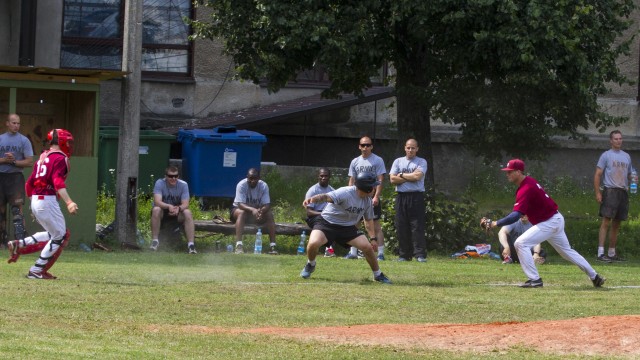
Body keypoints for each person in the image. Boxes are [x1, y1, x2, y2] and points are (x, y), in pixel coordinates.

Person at [480, 159, 605, 288]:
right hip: (554, 219)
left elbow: (515, 215)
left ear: (518, 172)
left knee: (520, 243)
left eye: (510, 172)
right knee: (567, 252)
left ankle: (535, 279)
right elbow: (524, 210)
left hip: (549, 222)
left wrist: (495, 223)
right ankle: (595, 277)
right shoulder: (529, 182)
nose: (507, 175)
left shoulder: (526, 188)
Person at [6, 129, 77, 279]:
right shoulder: (59, 158)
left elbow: (29, 184)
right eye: (68, 142)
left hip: (37, 199)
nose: (70, 145)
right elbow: (58, 182)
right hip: (47, 199)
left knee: (54, 233)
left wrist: (34, 203)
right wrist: (69, 202)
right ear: (62, 142)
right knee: (60, 236)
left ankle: (20, 244)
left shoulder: (42, 158)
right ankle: (36, 270)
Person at [300, 172, 391, 284]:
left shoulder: (367, 201)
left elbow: (368, 220)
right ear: (366, 187)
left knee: (367, 247)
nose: (375, 189)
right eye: (373, 186)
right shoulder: (346, 192)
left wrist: (373, 239)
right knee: (313, 243)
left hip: (347, 227)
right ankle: (311, 264)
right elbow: (327, 197)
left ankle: (378, 275)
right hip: (327, 223)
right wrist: (314, 198)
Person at [593, 130, 632, 263]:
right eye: (615, 139)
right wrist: (598, 192)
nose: (618, 141)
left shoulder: (627, 156)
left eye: (620, 138)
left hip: (622, 192)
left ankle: (611, 252)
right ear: (611, 141)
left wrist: (633, 179)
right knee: (606, 222)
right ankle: (600, 253)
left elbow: (630, 174)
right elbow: (598, 174)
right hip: (610, 191)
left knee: (616, 224)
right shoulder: (606, 155)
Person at [346, 136, 387, 260]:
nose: (365, 147)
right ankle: (353, 252)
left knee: (375, 225)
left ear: (372, 146)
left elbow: (380, 180)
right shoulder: (355, 161)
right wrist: (349, 196)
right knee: (354, 224)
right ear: (359, 146)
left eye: (368, 145)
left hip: (370, 197)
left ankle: (380, 253)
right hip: (357, 197)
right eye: (363, 145)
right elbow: (352, 180)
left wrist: (376, 197)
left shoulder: (377, 160)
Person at [389, 138, 428, 262]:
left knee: (417, 226)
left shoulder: (421, 161)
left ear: (417, 149)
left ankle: (420, 255)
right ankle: (404, 255)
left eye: (413, 148)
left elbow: (417, 177)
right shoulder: (398, 161)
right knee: (401, 225)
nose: (410, 150)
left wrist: (400, 175)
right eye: (408, 147)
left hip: (416, 197)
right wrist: (408, 177)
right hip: (401, 197)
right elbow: (392, 180)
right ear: (405, 148)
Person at [0, 113, 34, 247]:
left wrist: (14, 162)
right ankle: (2, 241)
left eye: (18, 123)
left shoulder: (24, 140)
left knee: (17, 211)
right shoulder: (1, 139)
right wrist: (4, 160)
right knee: (0, 210)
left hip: (15, 177)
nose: (16, 126)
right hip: (1, 176)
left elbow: (30, 161)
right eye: (13, 123)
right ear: (7, 123)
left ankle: (21, 242)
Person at [149, 166, 197, 254]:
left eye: (176, 176)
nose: (173, 178)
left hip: (177, 212)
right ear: (166, 176)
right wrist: (168, 206)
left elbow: (185, 204)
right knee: (156, 209)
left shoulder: (183, 185)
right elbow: (157, 201)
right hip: (163, 211)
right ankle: (155, 241)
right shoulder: (159, 183)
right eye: (171, 176)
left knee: (187, 212)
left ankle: (191, 245)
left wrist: (178, 208)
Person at [230, 168, 277, 254]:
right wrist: (253, 210)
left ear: (259, 178)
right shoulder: (241, 185)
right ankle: (239, 245)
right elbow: (240, 204)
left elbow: (267, 205)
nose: (252, 181)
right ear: (247, 177)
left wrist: (261, 212)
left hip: (256, 213)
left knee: (269, 214)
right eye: (250, 178)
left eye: (255, 178)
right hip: (239, 210)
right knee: (242, 213)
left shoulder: (263, 186)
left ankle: (273, 246)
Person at [304, 168, 336, 257]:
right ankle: (327, 249)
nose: (323, 178)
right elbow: (309, 212)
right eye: (321, 176)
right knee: (325, 222)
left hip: (328, 215)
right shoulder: (313, 190)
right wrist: (322, 214)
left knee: (336, 222)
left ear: (329, 177)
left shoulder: (333, 191)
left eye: (326, 176)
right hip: (314, 216)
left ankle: (330, 250)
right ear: (318, 176)